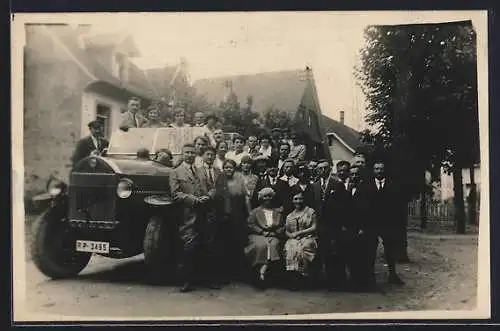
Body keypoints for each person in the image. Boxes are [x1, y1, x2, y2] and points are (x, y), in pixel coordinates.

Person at [169, 144, 212, 292]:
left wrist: (207, 196)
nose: (190, 155)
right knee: (189, 247)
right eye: (187, 152)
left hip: (204, 213)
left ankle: (206, 279)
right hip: (187, 215)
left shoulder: (201, 171)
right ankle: (186, 280)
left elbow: (209, 187)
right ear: (182, 154)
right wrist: (193, 200)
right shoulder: (175, 172)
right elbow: (175, 194)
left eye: (192, 153)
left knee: (205, 245)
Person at [364, 160, 405, 285]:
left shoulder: (392, 186)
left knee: (390, 250)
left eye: (381, 169)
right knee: (370, 250)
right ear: (373, 171)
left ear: (384, 170)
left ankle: (392, 275)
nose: (379, 171)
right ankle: (370, 277)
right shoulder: (367, 186)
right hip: (372, 223)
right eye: (376, 169)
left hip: (388, 223)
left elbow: (397, 206)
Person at [214, 159, 251, 282]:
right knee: (224, 245)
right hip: (223, 217)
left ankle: (238, 273)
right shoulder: (219, 180)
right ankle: (225, 274)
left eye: (230, 167)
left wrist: (248, 215)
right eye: (226, 167)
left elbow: (246, 199)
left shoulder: (240, 180)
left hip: (237, 216)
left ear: (234, 169)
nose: (228, 169)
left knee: (237, 244)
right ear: (223, 169)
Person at [321, 160, 353, 291]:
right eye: (339, 171)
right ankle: (331, 280)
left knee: (339, 252)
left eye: (345, 171)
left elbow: (345, 206)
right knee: (328, 252)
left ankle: (340, 280)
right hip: (326, 223)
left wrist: (344, 224)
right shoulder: (324, 184)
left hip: (339, 223)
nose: (342, 173)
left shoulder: (338, 185)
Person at [245, 187, 286, 287]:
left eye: (269, 196)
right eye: (265, 196)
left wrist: (275, 233)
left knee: (273, 245)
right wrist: (262, 231)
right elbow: (250, 224)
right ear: (261, 198)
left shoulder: (277, 212)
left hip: (273, 235)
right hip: (258, 235)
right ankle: (260, 272)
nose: (267, 198)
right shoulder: (255, 211)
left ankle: (262, 272)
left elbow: (282, 225)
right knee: (261, 245)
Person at [346, 165, 378, 292]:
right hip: (351, 228)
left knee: (366, 257)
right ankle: (355, 282)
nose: (354, 176)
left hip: (365, 228)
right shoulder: (348, 189)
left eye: (356, 174)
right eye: (352, 174)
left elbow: (370, 211)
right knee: (353, 256)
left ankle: (368, 284)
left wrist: (363, 227)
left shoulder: (368, 189)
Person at [195, 146, 223, 289]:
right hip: (201, 211)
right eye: (208, 155)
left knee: (214, 244)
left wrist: (212, 195)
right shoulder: (197, 171)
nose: (210, 157)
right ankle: (199, 277)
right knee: (200, 243)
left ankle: (213, 278)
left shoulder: (219, 171)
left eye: (212, 155)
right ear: (203, 156)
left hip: (215, 211)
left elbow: (221, 188)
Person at [284, 189, 319, 290]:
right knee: (290, 247)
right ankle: (294, 279)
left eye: (300, 199)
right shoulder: (289, 216)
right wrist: (290, 235)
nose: (298, 201)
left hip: (308, 237)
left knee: (303, 248)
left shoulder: (310, 211)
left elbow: (314, 227)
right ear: (292, 201)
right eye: (296, 199)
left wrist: (300, 233)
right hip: (294, 238)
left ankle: (304, 277)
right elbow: (286, 231)